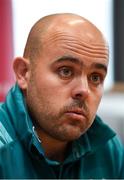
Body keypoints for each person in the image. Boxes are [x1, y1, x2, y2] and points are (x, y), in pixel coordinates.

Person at [0, 13, 124, 179]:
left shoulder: (107, 149)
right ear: (23, 73)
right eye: (65, 71)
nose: (83, 90)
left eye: (95, 77)